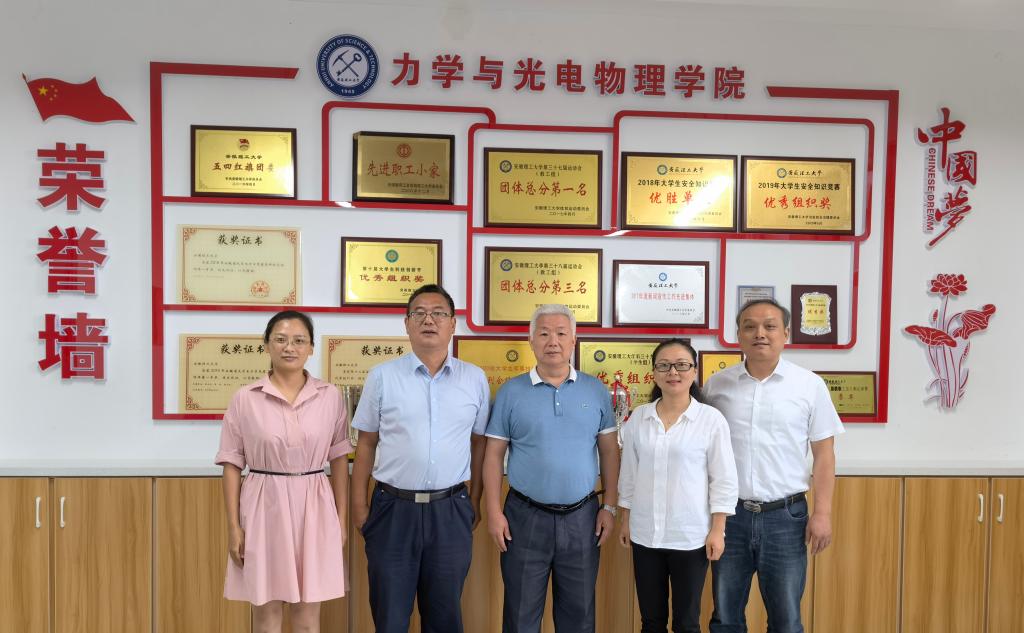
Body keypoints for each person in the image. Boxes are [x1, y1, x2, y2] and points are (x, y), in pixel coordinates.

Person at [350, 284, 490, 633]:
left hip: (450, 510)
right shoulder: (382, 376)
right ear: (407, 323)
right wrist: (359, 507)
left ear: (453, 324)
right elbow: (366, 444)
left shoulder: (474, 378)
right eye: (420, 313)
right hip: (392, 511)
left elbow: (480, 444)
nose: (429, 320)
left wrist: (474, 500)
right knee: (390, 617)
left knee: (444, 617)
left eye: (439, 313)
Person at [705, 299, 844, 633]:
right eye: (750, 326)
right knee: (725, 618)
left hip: (786, 517)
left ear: (786, 334)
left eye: (769, 326)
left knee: (786, 620)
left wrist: (822, 514)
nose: (760, 333)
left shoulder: (809, 385)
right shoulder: (717, 386)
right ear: (738, 335)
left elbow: (824, 455)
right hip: (730, 517)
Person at [483, 303, 620, 633]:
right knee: (520, 615)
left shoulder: (595, 390)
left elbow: (609, 452)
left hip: (583, 518)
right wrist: (493, 512)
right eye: (544, 334)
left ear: (573, 340)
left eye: (561, 333)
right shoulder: (511, 392)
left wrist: (610, 507)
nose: (553, 341)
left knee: (579, 616)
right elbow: (493, 455)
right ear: (531, 341)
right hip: (524, 518)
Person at [216, 310, 351, 633]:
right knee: (266, 615)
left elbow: (339, 460)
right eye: (280, 339)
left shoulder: (329, 396)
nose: (290, 347)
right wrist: (234, 527)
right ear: (266, 345)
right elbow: (232, 463)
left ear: (311, 348)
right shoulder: (245, 398)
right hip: (263, 506)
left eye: (299, 340)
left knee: (307, 616)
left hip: (315, 506)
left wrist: (341, 520)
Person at [617, 338, 738, 633]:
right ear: (654, 373)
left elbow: (723, 479)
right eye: (664, 366)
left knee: (687, 622)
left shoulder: (710, 420)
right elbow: (628, 475)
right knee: (651, 621)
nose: (673, 372)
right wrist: (625, 520)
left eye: (682, 365)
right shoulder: (639, 418)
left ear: (694, 371)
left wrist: (718, 530)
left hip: (690, 537)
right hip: (645, 535)